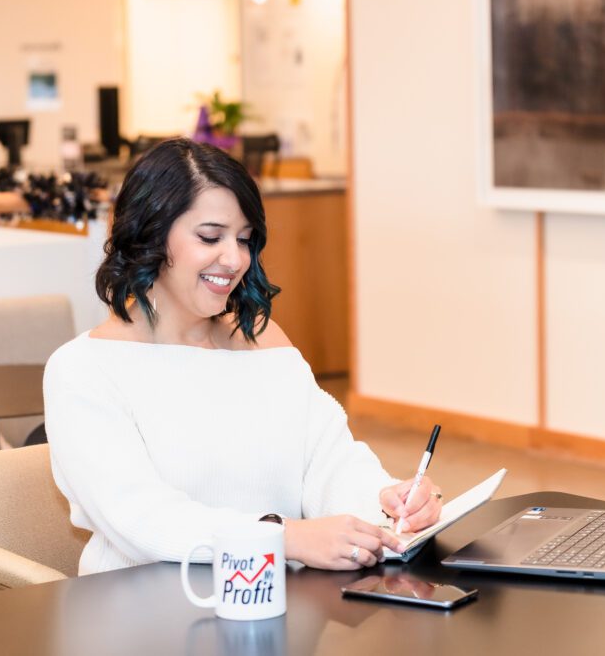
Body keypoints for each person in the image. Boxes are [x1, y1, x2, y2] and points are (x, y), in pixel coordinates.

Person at [43, 138, 442, 575]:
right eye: (210, 236)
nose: (234, 259)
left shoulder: (266, 343)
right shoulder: (84, 369)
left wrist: (385, 499)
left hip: (277, 600)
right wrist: (284, 537)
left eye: (245, 239)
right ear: (149, 235)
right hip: (143, 618)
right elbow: (142, 518)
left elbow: (329, 463)